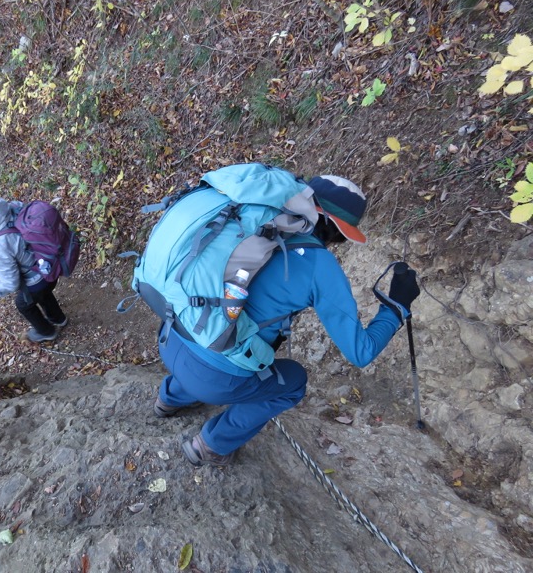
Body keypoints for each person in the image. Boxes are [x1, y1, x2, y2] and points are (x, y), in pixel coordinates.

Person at [153, 174, 421, 467]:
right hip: (215, 379)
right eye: (343, 237)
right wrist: (396, 307)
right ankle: (212, 445)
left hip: (170, 337)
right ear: (336, 229)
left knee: (213, 327)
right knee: (294, 381)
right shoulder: (320, 265)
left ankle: (169, 399)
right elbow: (361, 352)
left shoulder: (249, 218)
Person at [0, 188, 68, 343]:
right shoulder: (15, 206)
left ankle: (46, 332)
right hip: (52, 265)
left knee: (24, 304)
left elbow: (11, 284)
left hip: (39, 279)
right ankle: (58, 318)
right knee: (42, 292)